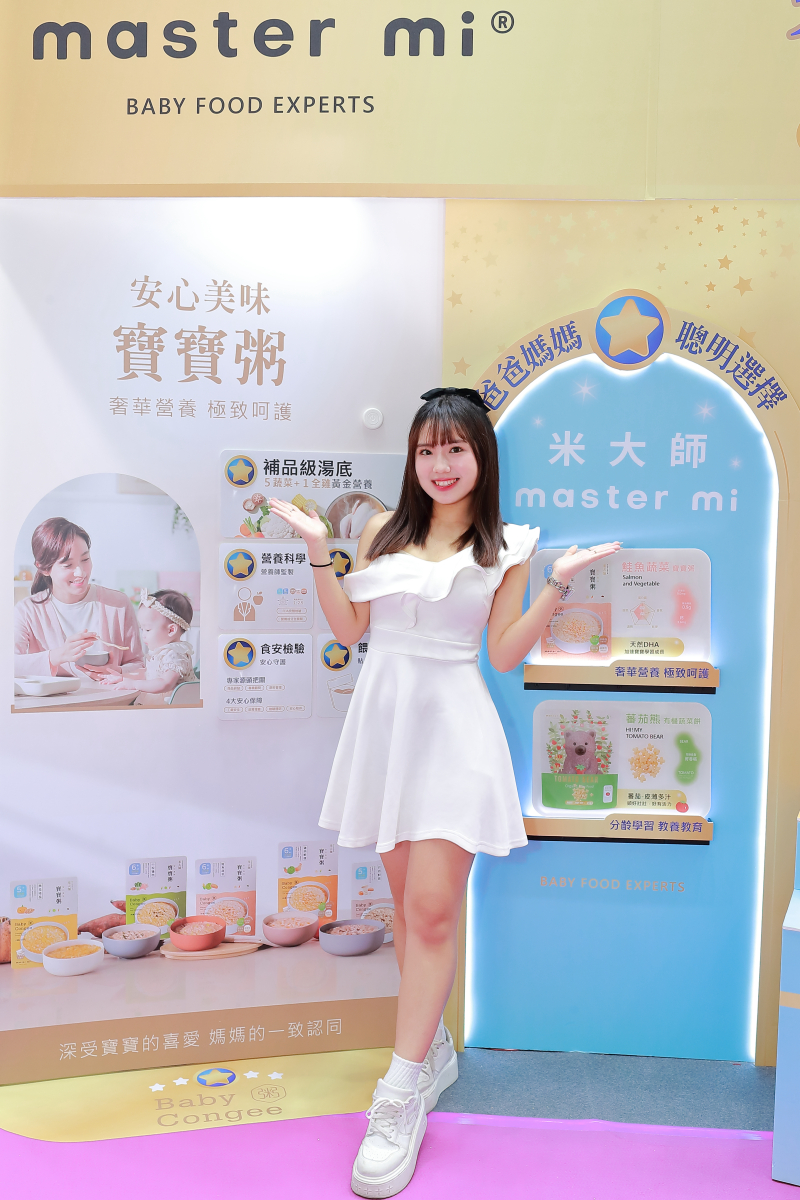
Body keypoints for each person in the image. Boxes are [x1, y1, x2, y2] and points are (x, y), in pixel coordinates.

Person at [269, 387, 621, 1198]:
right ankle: (428, 1052)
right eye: (427, 450)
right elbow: (349, 631)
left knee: (431, 912)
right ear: (413, 460)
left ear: (480, 456)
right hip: (386, 726)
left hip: (456, 731)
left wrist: (556, 586)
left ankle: (398, 1098)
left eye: (455, 448)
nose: (440, 464)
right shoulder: (380, 532)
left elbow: (502, 654)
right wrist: (321, 551)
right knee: (406, 908)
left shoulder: (508, 545)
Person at [14, 517, 143, 679]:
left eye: (85, 559)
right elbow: (7, 665)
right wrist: (58, 655)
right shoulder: (26, 611)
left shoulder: (118, 604)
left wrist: (118, 671)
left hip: (110, 696)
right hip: (56, 697)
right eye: (67, 565)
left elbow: (138, 665)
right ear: (43, 568)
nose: (80, 573)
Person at [100, 589, 196, 695]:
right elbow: (148, 674)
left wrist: (133, 684)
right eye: (142, 629)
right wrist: (123, 677)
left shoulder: (175, 655)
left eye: (148, 629)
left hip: (173, 704)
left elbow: (165, 683)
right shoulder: (162, 652)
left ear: (171, 630)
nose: (143, 635)